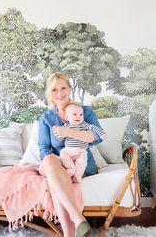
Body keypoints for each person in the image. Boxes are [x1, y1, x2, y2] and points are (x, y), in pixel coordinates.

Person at [38, 72, 105, 237]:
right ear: (49, 93)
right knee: (49, 160)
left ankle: (69, 233)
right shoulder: (46, 117)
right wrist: (58, 161)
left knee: (55, 179)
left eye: (63, 88)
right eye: (54, 90)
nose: (59, 94)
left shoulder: (84, 111)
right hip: (56, 163)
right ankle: (77, 218)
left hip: (81, 162)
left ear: (70, 89)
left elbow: (95, 137)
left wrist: (68, 132)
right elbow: (44, 148)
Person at [55, 103, 107, 183]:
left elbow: (94, 128)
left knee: (82, 162)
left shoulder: (84, 125)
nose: (78, 117)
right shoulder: (66, 126)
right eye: (74, 114)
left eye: (81, 114)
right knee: (63, 155)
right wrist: (56, 131)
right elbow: (60, 137)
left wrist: (102, 134)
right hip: (68, 150)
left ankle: (77, 176)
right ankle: (70, 168)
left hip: (81, 150)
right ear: (67, 117)